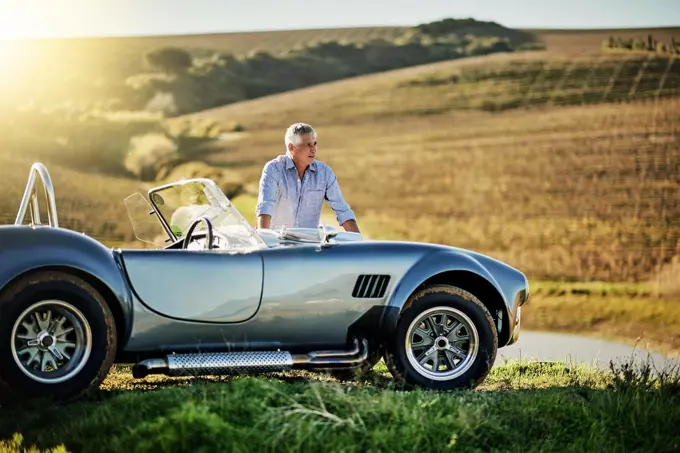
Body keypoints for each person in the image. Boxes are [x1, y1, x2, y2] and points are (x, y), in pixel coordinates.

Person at [255, 122, 360, 233]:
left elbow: (343, 210)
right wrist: (264, 237)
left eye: (314, 144)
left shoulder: (324, 173)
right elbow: (266, 207)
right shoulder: (273, 169)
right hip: (277, 244)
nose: (313, 149)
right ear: (291, 147)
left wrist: (360, 245)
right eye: (307, 145)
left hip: (309, 246)